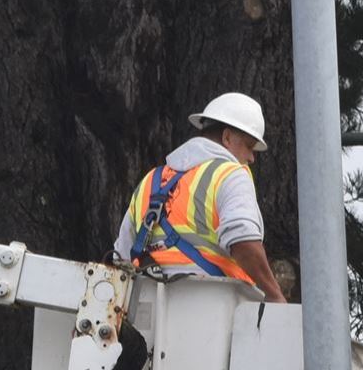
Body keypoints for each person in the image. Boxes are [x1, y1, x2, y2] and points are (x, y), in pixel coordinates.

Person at [112, 92, 289, 303]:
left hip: (145, 314)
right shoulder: (230, 174)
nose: (251, 158)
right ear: (227, 137)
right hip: (210, 311)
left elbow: (119, 258)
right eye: (250, 146)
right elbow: (243, 242)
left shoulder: (151, 180)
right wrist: (275, 296)